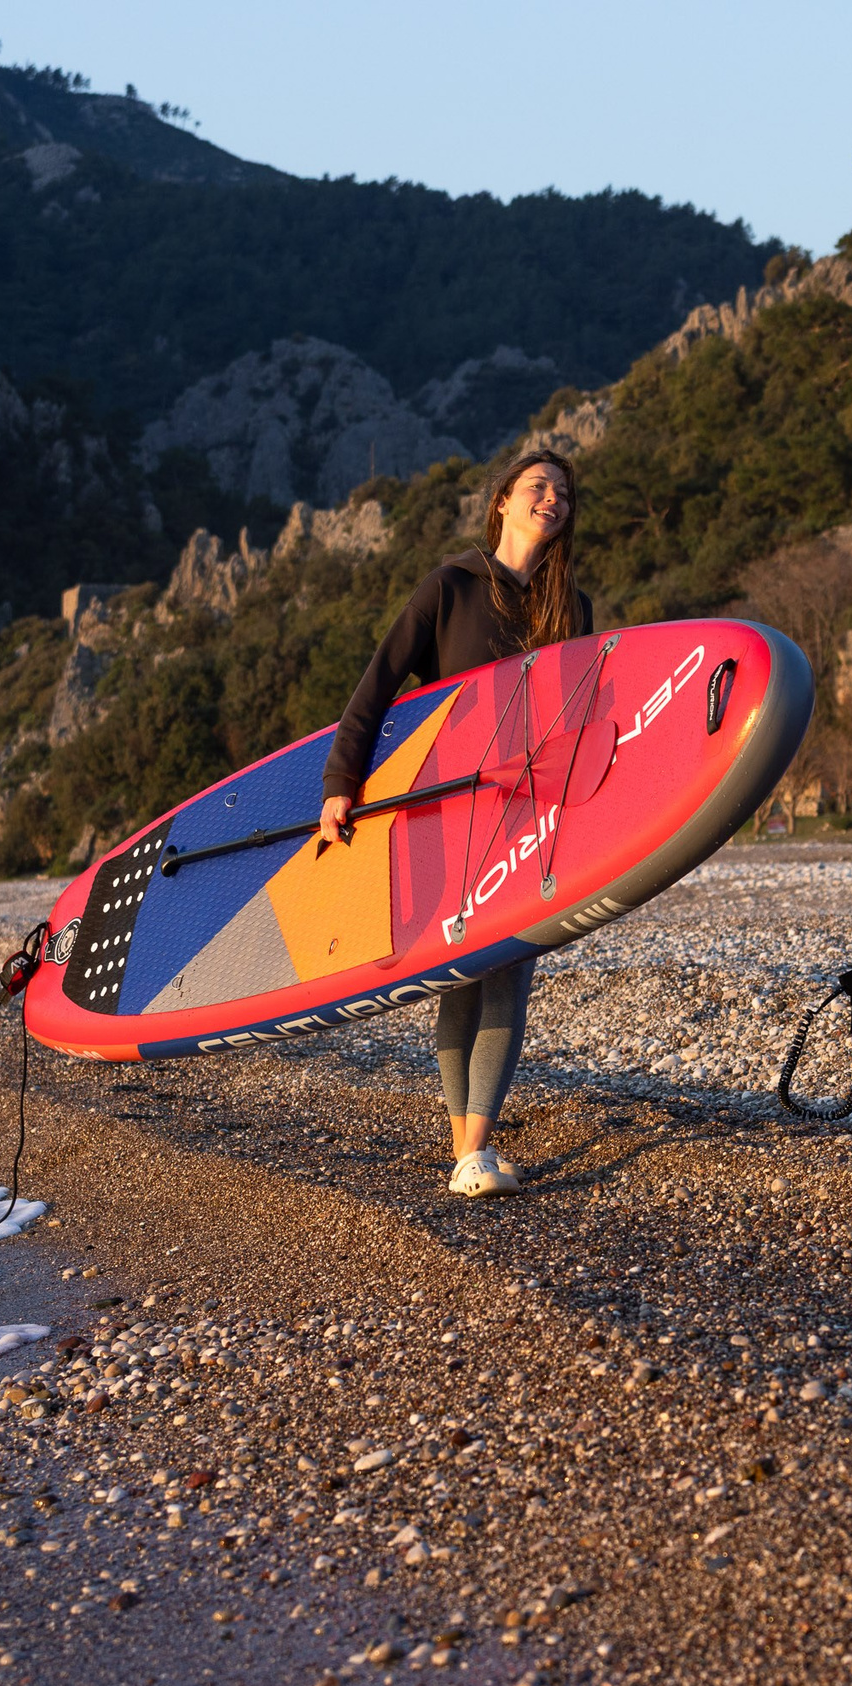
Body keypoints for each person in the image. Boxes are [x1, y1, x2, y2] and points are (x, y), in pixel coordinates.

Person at [319, 450, 593, 1198]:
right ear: (502, 500)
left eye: (564, 493)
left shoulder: (571, 609)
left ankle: (473, 1148)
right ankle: (466, 1147)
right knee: (460, 970)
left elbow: (580, 717)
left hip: (531, 808)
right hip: (447, 807)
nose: (553, 499)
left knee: (511, 963)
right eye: (538, 487)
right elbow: (375, 687)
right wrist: (341, 784)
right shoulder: (449, 588)